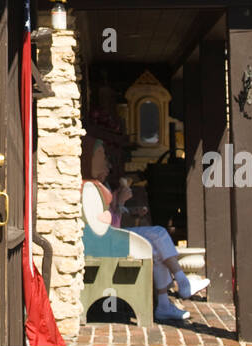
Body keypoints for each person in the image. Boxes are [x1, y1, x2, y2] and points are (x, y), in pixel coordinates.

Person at [83, 138, 210, 323]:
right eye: (101, 156)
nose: (107, 165)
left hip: (111, 237)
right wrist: (120, 203)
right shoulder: (90, 188)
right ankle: (180, 284)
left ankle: (167, 301)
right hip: (105, 243)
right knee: (157, 236)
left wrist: (130, 211)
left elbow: (113, 218)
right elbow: (108, 226)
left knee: (156, 244)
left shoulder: (101, 186)